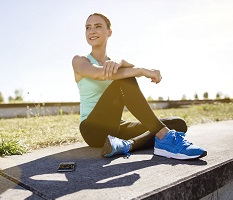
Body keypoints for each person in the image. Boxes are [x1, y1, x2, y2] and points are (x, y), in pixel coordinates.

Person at [72, 13, 207, 160]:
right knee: (125, 79)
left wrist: (120, 61)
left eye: (97, 26)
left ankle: (126, 145)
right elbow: (101, 74)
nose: (92, 31)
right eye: (88, 27)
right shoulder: (79, 60)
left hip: (117, 127)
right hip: (92, 130)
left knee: (177, 124)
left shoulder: (113, 62)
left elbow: (128, 66)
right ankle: (165, 139)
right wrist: (142, 71)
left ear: (109, 32)